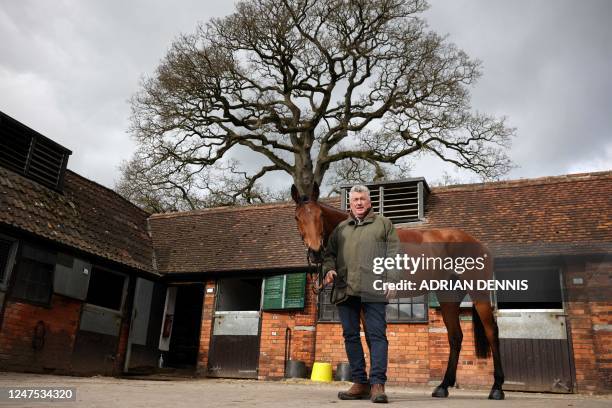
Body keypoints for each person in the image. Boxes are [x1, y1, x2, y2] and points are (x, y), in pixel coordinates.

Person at [323, 184, 400, 404]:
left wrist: (392, 280)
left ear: (369, 202)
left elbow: (394, 254)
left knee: (377, 336)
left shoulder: (383, 224)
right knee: (350, 335)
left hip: (374, 287)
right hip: (345, 288)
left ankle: (377, 384)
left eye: (362, 199)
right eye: (355, 199)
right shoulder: (341, 229)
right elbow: (329, 255)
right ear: (350, 203)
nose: (358, 202)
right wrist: (329, 269)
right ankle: (360, 382)